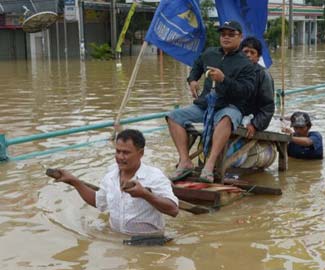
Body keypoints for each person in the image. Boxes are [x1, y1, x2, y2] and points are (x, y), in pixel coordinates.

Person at [166, 21, 256, 183]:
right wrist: (192, 79)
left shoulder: (246, 64)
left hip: (229, 106)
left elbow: (246, 91)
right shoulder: (210, 53)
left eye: (231, 34)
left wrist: (224, 80)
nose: (226, 38)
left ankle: (209, 165)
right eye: (223, 34)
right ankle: (185, 161)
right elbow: (197, 65)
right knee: (173, 116)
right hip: (205, 105)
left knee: (226, 118)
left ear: (240, 37)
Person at [51, 129, 179, 235]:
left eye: (126, 153)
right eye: (118, 151)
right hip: (116, 239)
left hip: (149, 241)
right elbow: (98, 201)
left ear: (141, 153)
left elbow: (173, 210)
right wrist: (74, 182)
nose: (120, 157)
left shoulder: (154, 176)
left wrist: (145, 194)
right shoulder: (110, 175)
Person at [239, 36, 275, 138]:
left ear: (258, 57)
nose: (248, 55)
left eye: (252, 52)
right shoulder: (234, 71)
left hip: (253, 120)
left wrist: (255, 124)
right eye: (245, 52)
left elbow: (268, 107)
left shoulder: (264, 76)